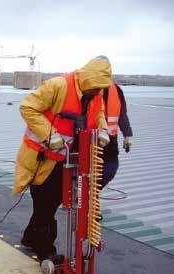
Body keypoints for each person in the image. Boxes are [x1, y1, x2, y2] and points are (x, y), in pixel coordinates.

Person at [13, 56, 113, 262]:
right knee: (44, 202)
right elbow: (28, 107)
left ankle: (31, 237)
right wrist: (51, 136)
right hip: (43, 159)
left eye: (99, 89)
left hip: (68, 159)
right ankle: (45, 250)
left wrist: (102, 130)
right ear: (87, 80)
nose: (96, 92)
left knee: (49, 204)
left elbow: (99, 113)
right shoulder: (57, 85)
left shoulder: (96, 92)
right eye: (94, 88)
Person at [101, 81, 133, 187]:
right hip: (88, 139)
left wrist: (127, 135)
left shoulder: (116, 90)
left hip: (110, 140)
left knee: (110, 168)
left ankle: (91, 192)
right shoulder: (87, 89)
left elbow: (122, 114)